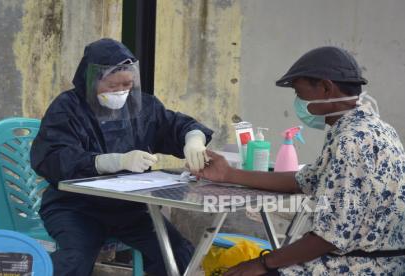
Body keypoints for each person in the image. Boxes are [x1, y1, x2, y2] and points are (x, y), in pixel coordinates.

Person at [195, 46, 405, 275]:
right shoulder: (377, 129)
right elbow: (303, 180)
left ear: (326, 87)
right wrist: (228, 174)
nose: (298, 102)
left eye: (299, 92)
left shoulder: (351, 141)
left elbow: (330, 237)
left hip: (358, 267)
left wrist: (260, 263)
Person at [30, 38, 213, 276]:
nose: (121, 92)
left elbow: (175, 125)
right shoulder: (67, 108)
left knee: (176, 253)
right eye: (113, 86)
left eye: (127, 85)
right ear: (91, 80)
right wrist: (113, 161)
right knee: (74, 259)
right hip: (74, 207)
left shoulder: (143, 106)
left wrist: (194, 139)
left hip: (128, 210)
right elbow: (54, 158)